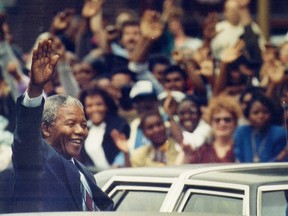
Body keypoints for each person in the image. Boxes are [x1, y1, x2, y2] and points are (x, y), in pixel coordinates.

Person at [12, 39, 113, 212]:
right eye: (71, 123)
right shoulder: (39, 161)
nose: (80, 131)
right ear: (45, 128)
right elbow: (26, 138)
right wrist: (35, 90)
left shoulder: (85, 173)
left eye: (83, 124)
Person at [78, 84, 130, 172]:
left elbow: (126, 152)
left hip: (119, 173)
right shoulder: (83, 129)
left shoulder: (119, 125)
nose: (95, 109)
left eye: (99, 104)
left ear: (106, 106)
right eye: (89, 106)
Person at [181, 94, 242, 163]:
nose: (222, 124)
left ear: (235, 123)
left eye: (227, 120)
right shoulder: (203, 151)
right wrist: (186, 155)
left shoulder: (242, 149)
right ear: (211, 123)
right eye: (217, 120)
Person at [234, 93, 287, 162]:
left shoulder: (280, 133)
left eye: (265, 112)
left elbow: (279, 164)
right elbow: (238, 158)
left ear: (271, 114)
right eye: (256, 112)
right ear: (248, 115)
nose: (261, 116)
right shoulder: (241, 132)